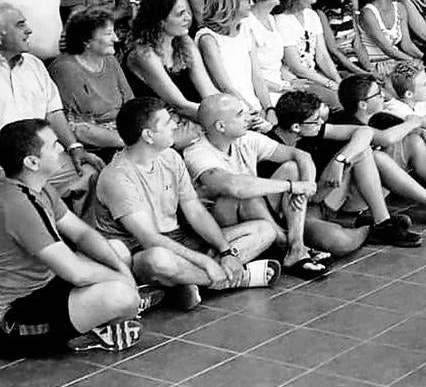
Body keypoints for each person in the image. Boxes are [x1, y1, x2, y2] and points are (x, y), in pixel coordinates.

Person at [90, 98, 279, 310]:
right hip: (142, 252)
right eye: (166, 122)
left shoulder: (170, 157)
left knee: (265, 230)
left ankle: (188, 281)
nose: (175, 125)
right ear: (148, 135)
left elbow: (195, 210)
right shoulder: (117, 177)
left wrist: (226, 251)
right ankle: (233, 279)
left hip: (179, 239)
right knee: (159, 259)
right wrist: (205, 261)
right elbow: (149, 238)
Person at [0, 119, 143, 356]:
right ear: (32, 162)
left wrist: (121, 270)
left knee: (117, 250)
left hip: (46, 286)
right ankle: (89, 330)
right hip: (13, 316)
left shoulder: (39, 187)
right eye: (54, 145)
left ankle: (100, 318)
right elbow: (74, 272)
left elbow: (82, 233)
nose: (61, 149)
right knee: (121, 296)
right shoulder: (17, 204)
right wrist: (124, 283)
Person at [183, 93, 330, 277]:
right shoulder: (197, 152)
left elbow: (301, 156)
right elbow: (234, 186)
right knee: (244, 194)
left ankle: (297, 246)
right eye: (239, 114)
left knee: (292, 168)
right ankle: (288, 247)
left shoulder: (247, 138)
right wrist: (292, 187)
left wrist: (306, 186)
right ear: (221, 126)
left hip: (253, 211)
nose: (248, 117)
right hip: (218, 225)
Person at [268, 90, 412, 248]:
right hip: (293, 215)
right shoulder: (270, 149)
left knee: (360, 150)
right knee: (340, 242)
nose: (321, 123)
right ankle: (368, 229)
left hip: (320, 198)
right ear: (296, 126)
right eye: (316, 120)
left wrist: (340, 161)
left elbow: (365, 132)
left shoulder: (308, 130)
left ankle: (383, 222)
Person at [0, 4, 105, 205]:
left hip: (45, 155)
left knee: (89, 174)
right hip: (6, 166)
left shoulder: (34, 65)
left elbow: (54, 112)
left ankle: (87, 235)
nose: (29, 30)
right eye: (20, 25)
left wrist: (75, 147)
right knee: (24, 196)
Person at [333, 75, 426, 231]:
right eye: (377, 94)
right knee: (377, 156)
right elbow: (387, 138)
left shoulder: (379, 116)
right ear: (363, 104)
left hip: (379, 187)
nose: (383, 96)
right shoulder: (344, 122)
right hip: (352, 197)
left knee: (413, 140)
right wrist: (411, 122)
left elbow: (421, 131)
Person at [124, 0, 218, 121]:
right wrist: (221, 117)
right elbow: (180, 105)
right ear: (160, 21)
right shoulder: (144, 54)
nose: (188, 18)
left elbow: (209, 91)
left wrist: (238, 111)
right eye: (180, 14)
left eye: (188, 12)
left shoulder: (185, 41)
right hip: (165, 124)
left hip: (199, 116)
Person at [49, 7, 133, 152]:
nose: (116, 38)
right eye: (108, 33)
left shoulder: (109, 59)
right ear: (86, 40)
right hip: (98, 146)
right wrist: (132, 141)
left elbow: (131, 104)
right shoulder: (66, 69)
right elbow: (80, 129)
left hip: (126, 132)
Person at [195, 0, 272, 119]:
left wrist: (269, 109)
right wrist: (250, 110)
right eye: (246, 0)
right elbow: (224, 86)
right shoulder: (208, 38)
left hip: (254, 107)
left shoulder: (246, 30)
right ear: (231, 4)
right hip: (233, 113)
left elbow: (257, 77)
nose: (252, 3)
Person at [275, 0, 341, 107]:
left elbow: (322, 55)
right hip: (297, 80)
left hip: (315, 74)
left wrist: (337, 79)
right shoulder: (281, 20)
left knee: (358, 86)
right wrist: (329, 83)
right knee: (337, 100)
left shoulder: (311, 15)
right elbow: (296, 67)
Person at [360, 0, 422, 79]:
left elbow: (407, 45)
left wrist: (424, 58)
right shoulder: (368, 13)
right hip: (375, 67)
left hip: (396, 62)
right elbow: (387, 48)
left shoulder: (400, 7)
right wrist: (412, 61)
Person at [314, 0, 370, 77]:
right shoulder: (321, 12)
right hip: (336, 67)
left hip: (355, 62)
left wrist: (369, 69)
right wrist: (361, 73)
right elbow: (334, 50)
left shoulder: (349, 6)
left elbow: (357, 43)